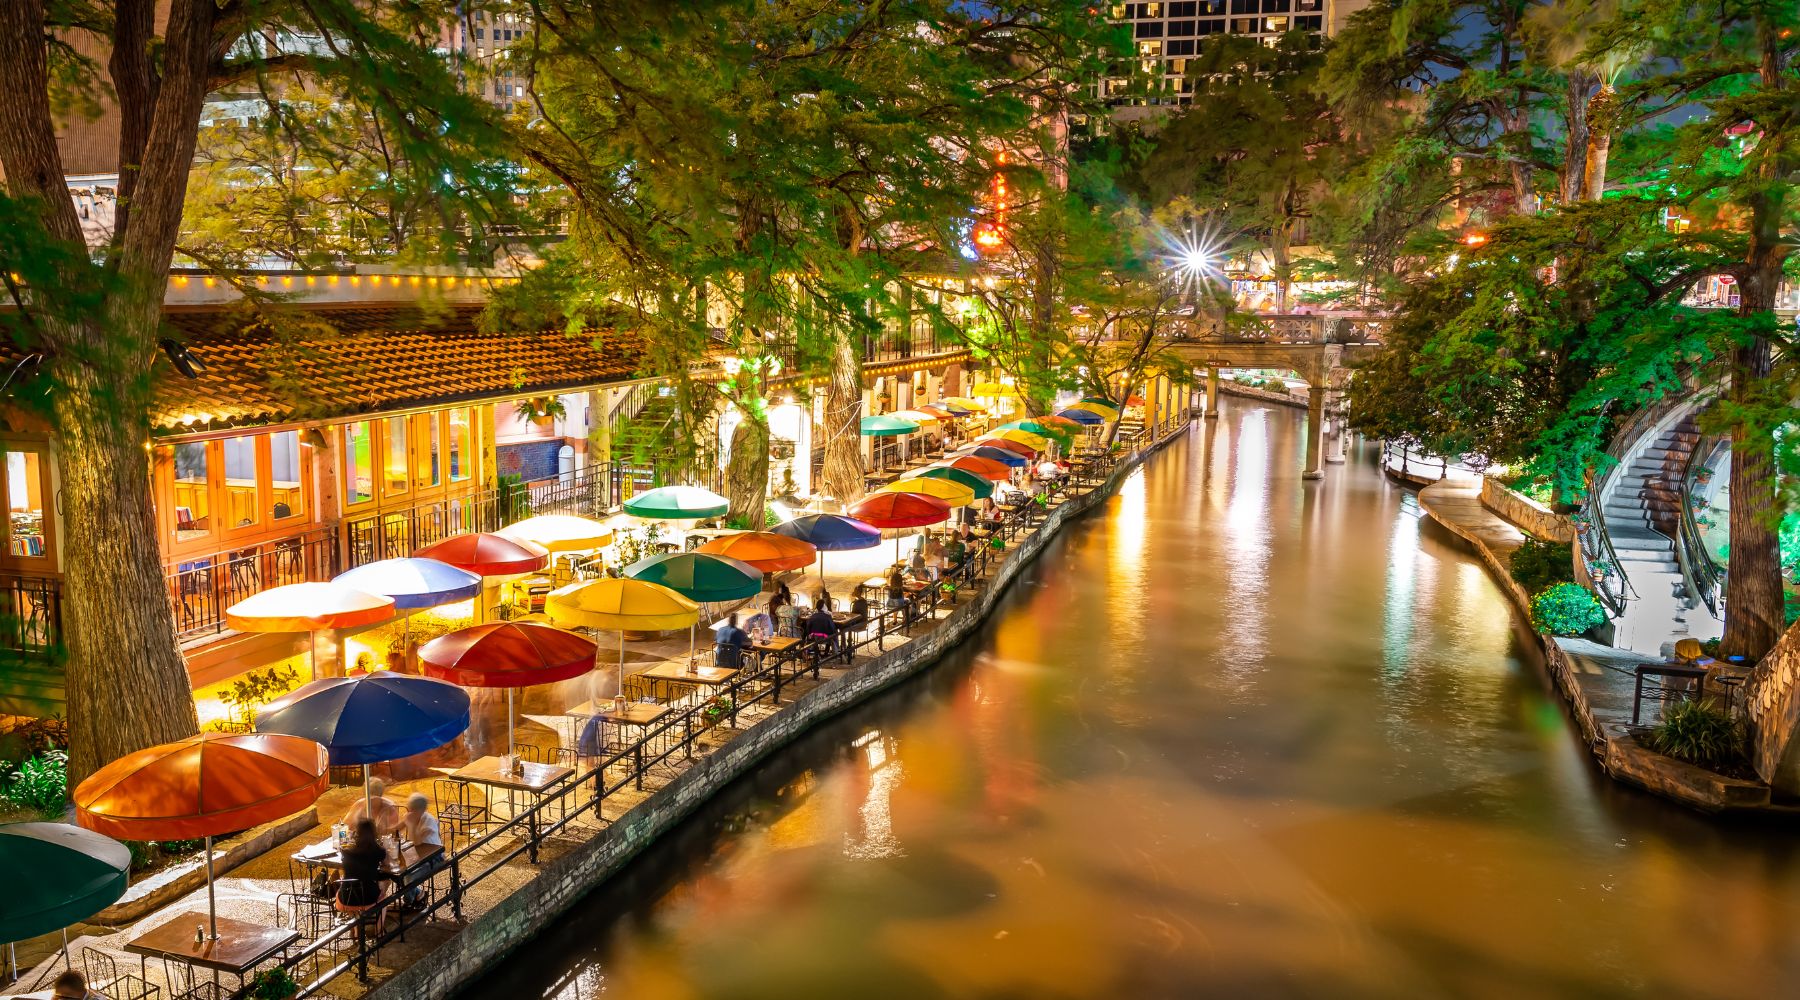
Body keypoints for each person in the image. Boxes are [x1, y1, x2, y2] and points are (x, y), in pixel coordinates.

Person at [334, 819, 391, 922]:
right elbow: (388, 864)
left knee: (348, 886)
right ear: (374, 833)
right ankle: (379, 933)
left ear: (357, 833)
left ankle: (356, 930)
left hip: (345, 899)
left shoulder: (347, 852)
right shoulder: (378, 851)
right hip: (368, 898)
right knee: (384, 899)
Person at [398, 792, 446, 908]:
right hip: (417, 856)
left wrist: (412, 826)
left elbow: (421, 845)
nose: (409, 812)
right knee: (397, 874)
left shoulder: (428, 821)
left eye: (413, 809)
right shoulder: (411, 816)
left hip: (434, 858)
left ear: (421, 810)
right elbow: (396, 828)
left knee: (407, 877)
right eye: (410, 809)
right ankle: (419, 894)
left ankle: (409, 902)